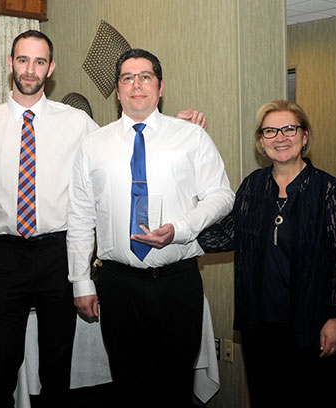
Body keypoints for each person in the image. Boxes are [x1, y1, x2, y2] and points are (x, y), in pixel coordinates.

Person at [0, 31, 207, 407]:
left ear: (51, 68)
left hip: (58, 255)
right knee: (1, 361)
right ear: (10, 64)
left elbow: (127, 142)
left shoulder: (77, 123)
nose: (30, 69)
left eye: (40, 61)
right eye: (23, 60)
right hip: (7, 257)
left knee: (58, 361)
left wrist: (181, 127)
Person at [67, 48, 234, 407]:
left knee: (175, 387)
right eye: (127, 78)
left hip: (178, 282)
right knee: (128, 387)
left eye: (146, 77)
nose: (137, 85)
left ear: (160, 87)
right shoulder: (93, 145)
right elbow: (79, 216)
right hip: (118, 285)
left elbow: (222, 196)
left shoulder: (191, 137)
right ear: (117, 91)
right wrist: (81, 281)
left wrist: (181, 228)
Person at [198, 99, 336, 408]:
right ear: (261, 142)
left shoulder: (328, 191)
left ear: (305, 136)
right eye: (270, 131)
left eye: (289, 129)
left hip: (314, 324)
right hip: (261, 325)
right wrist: (176, 236)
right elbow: (228, 235)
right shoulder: (252, 186)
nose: (280, 138)